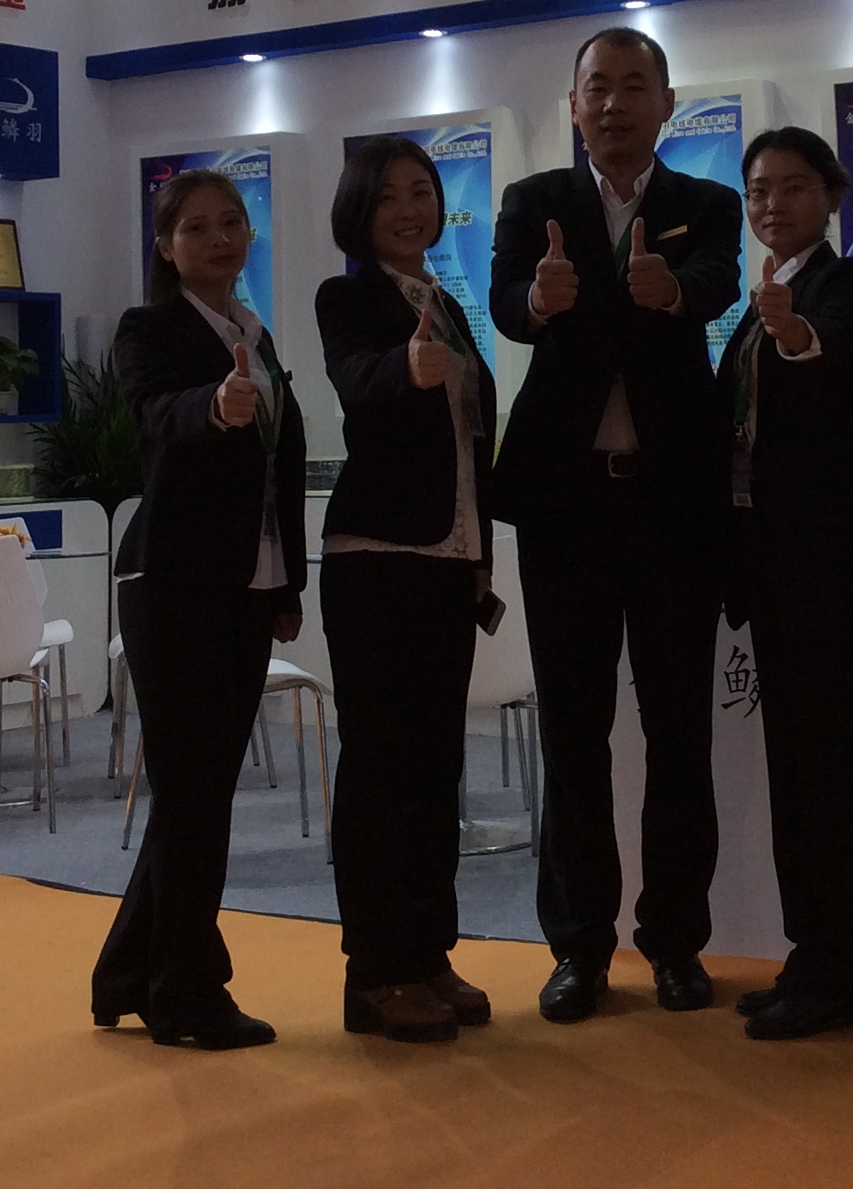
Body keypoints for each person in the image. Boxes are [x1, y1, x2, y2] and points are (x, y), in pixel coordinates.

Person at [489, 26, 741, 1023]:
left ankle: (675, 942)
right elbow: (505, 301)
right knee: (573, 730)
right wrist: (533, 300)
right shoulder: (534, 202)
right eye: (599, 86)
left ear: (667, 103)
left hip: (674, 503)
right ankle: (578, 946)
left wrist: (675, 291)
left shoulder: (706, 203)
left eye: (636, 86)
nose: (616, 103)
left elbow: (720, 279)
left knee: (679, 731)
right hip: (567, 505)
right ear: (574, 103)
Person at [93, 168, 306, 1051]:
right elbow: (156, 413)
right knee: (193, 797)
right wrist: (214, 407)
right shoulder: (149, 328)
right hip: (173, 584)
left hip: (245, 588)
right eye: (196, 228)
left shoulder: (254, 331)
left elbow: (279, 470)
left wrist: (286, 586)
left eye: (232, 223)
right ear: (165, 246)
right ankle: (187, 992)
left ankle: (128, 974)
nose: (219, 239)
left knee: (199, 792)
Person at [313, 136, 499, 1044]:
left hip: (447, 559)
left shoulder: (446, 304)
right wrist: (404, 370)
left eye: (421, 191)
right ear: (359, 209)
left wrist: (479, 556)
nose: (409, 209)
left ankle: (427, 954)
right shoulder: (346, 296)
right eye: (388, 195)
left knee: (434, 769)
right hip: (377, 559)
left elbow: (468, 438)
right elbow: (358, 378)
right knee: (381, 772)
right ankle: (376, 971)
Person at [713, 127, 853, 1042]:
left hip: (822, 564)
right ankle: (810, 953)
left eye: (793, 187)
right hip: (772, 563)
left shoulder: (838, 283)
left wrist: (795, 333)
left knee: (823, 770)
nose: (773, 205)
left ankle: (835, 965)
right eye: (759, 191)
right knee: (796, 768)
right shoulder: (764, 294)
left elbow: (838, 350)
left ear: (832, 195)